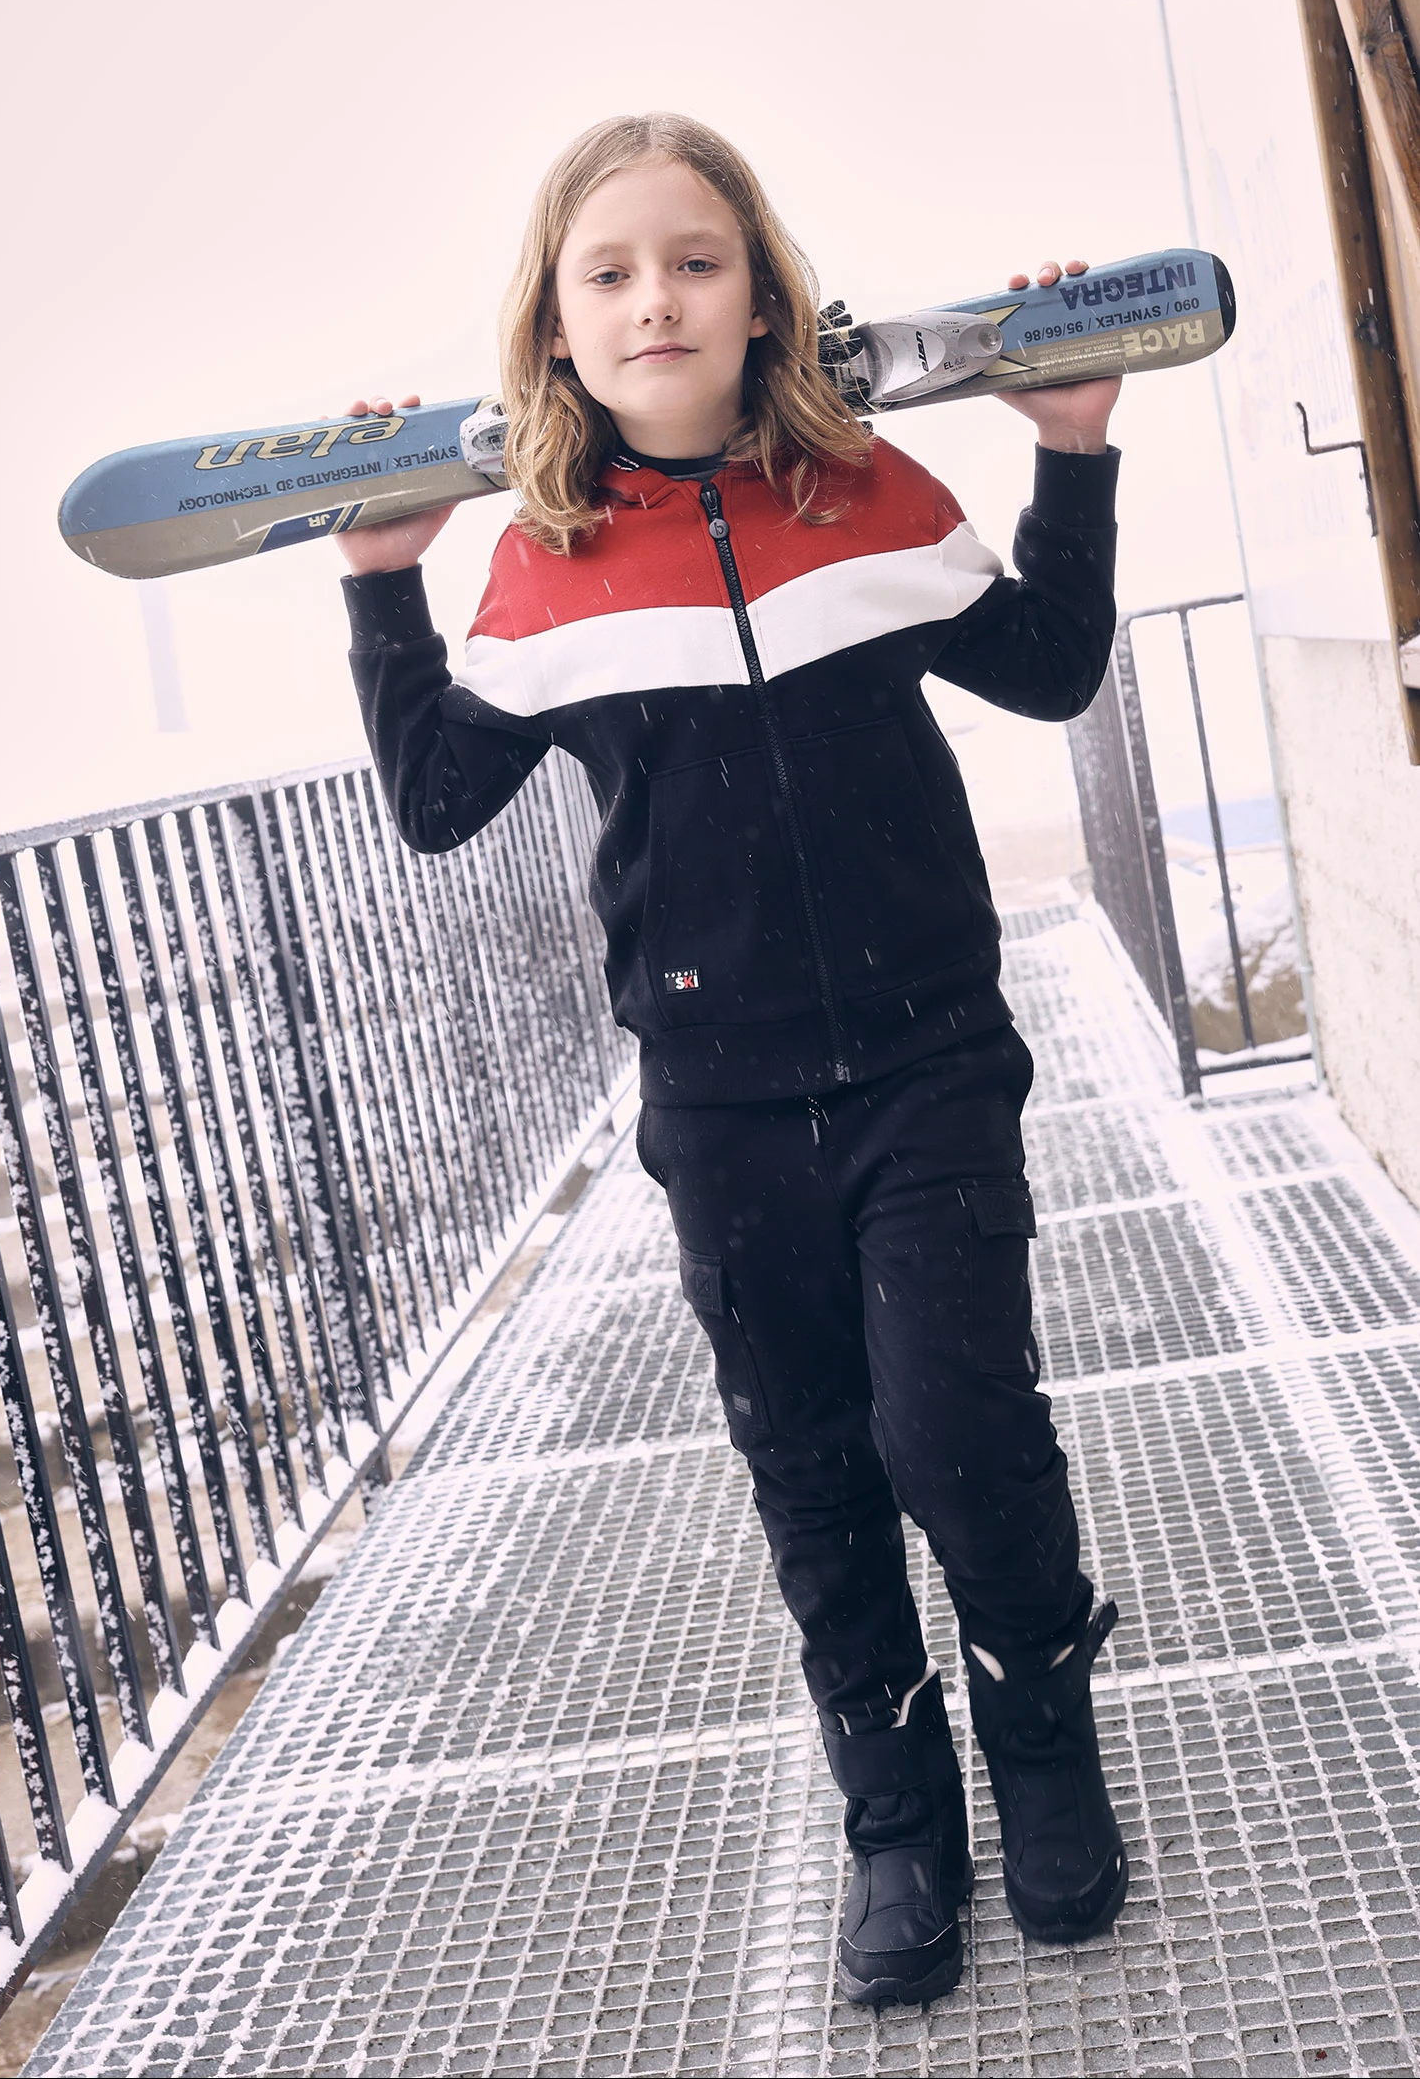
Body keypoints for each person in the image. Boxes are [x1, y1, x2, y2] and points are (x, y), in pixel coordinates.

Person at [336, 112, 1127, 2009]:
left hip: (930, 1060)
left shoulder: (865, 490)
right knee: (811, 1461)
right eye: (606, 274)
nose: (655, 300)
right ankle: (895, 1817)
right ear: (555, 328)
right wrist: (379, 579)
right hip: (716, 1102)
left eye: (694, 260)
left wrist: (1070, 449)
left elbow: (1047, 668)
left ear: (762, 294)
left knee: (960, 1435)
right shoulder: (545, 561)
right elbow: (437, 801)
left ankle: (1043, 1745)